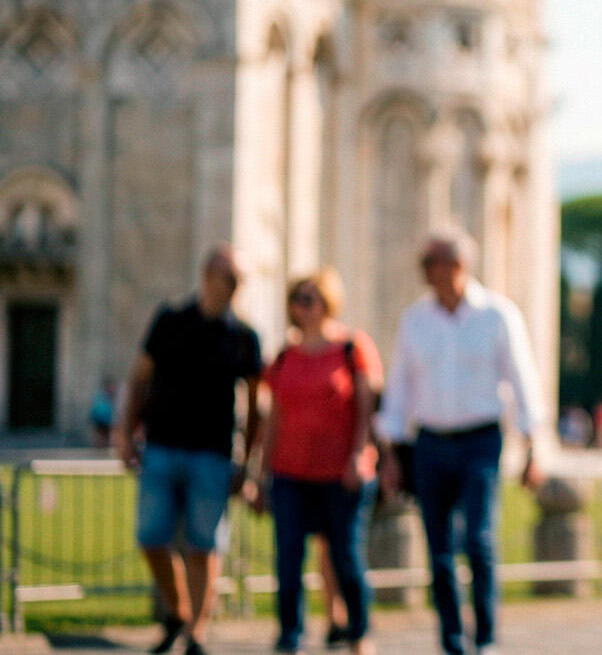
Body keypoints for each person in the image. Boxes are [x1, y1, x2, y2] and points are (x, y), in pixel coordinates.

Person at [376, 230, 545, 655]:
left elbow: (522, 382)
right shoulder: (415, 320)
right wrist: (390, 452)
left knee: (479, 538)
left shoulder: (497, 315)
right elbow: (399, 388)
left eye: (430, 264)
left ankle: (485, 637)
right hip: (431, 441)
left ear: (456, 265)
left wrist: (532, 448)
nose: (425, 273)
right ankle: (452, 641)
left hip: (481, 440)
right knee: (439, 549)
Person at [111, 244, 264, 655]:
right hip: (161, 446)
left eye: (238, 280)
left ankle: (196, 631)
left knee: (203, 546)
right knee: (150, 537)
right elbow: (139, 377)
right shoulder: (170, 320)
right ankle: (178, 610)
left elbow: (255, 405)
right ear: (206, 276)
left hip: (212, 454)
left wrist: (248, 463)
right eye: (227, 277)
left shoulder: (244, 337)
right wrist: (125, 433)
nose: (232, 287)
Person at [252, 269, 382, 655]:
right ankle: (290, 636)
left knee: (346, 556)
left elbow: (365, 410)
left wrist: (359, 454)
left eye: (310, 299)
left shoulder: (352, 348)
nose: (302, 307)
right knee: (289, 558)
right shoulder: (284, 355)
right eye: (297, 299)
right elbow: (274, 417)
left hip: (340, 474)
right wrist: (261, 472)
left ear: (329, 302)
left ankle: (359, 632)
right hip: (291, 472)